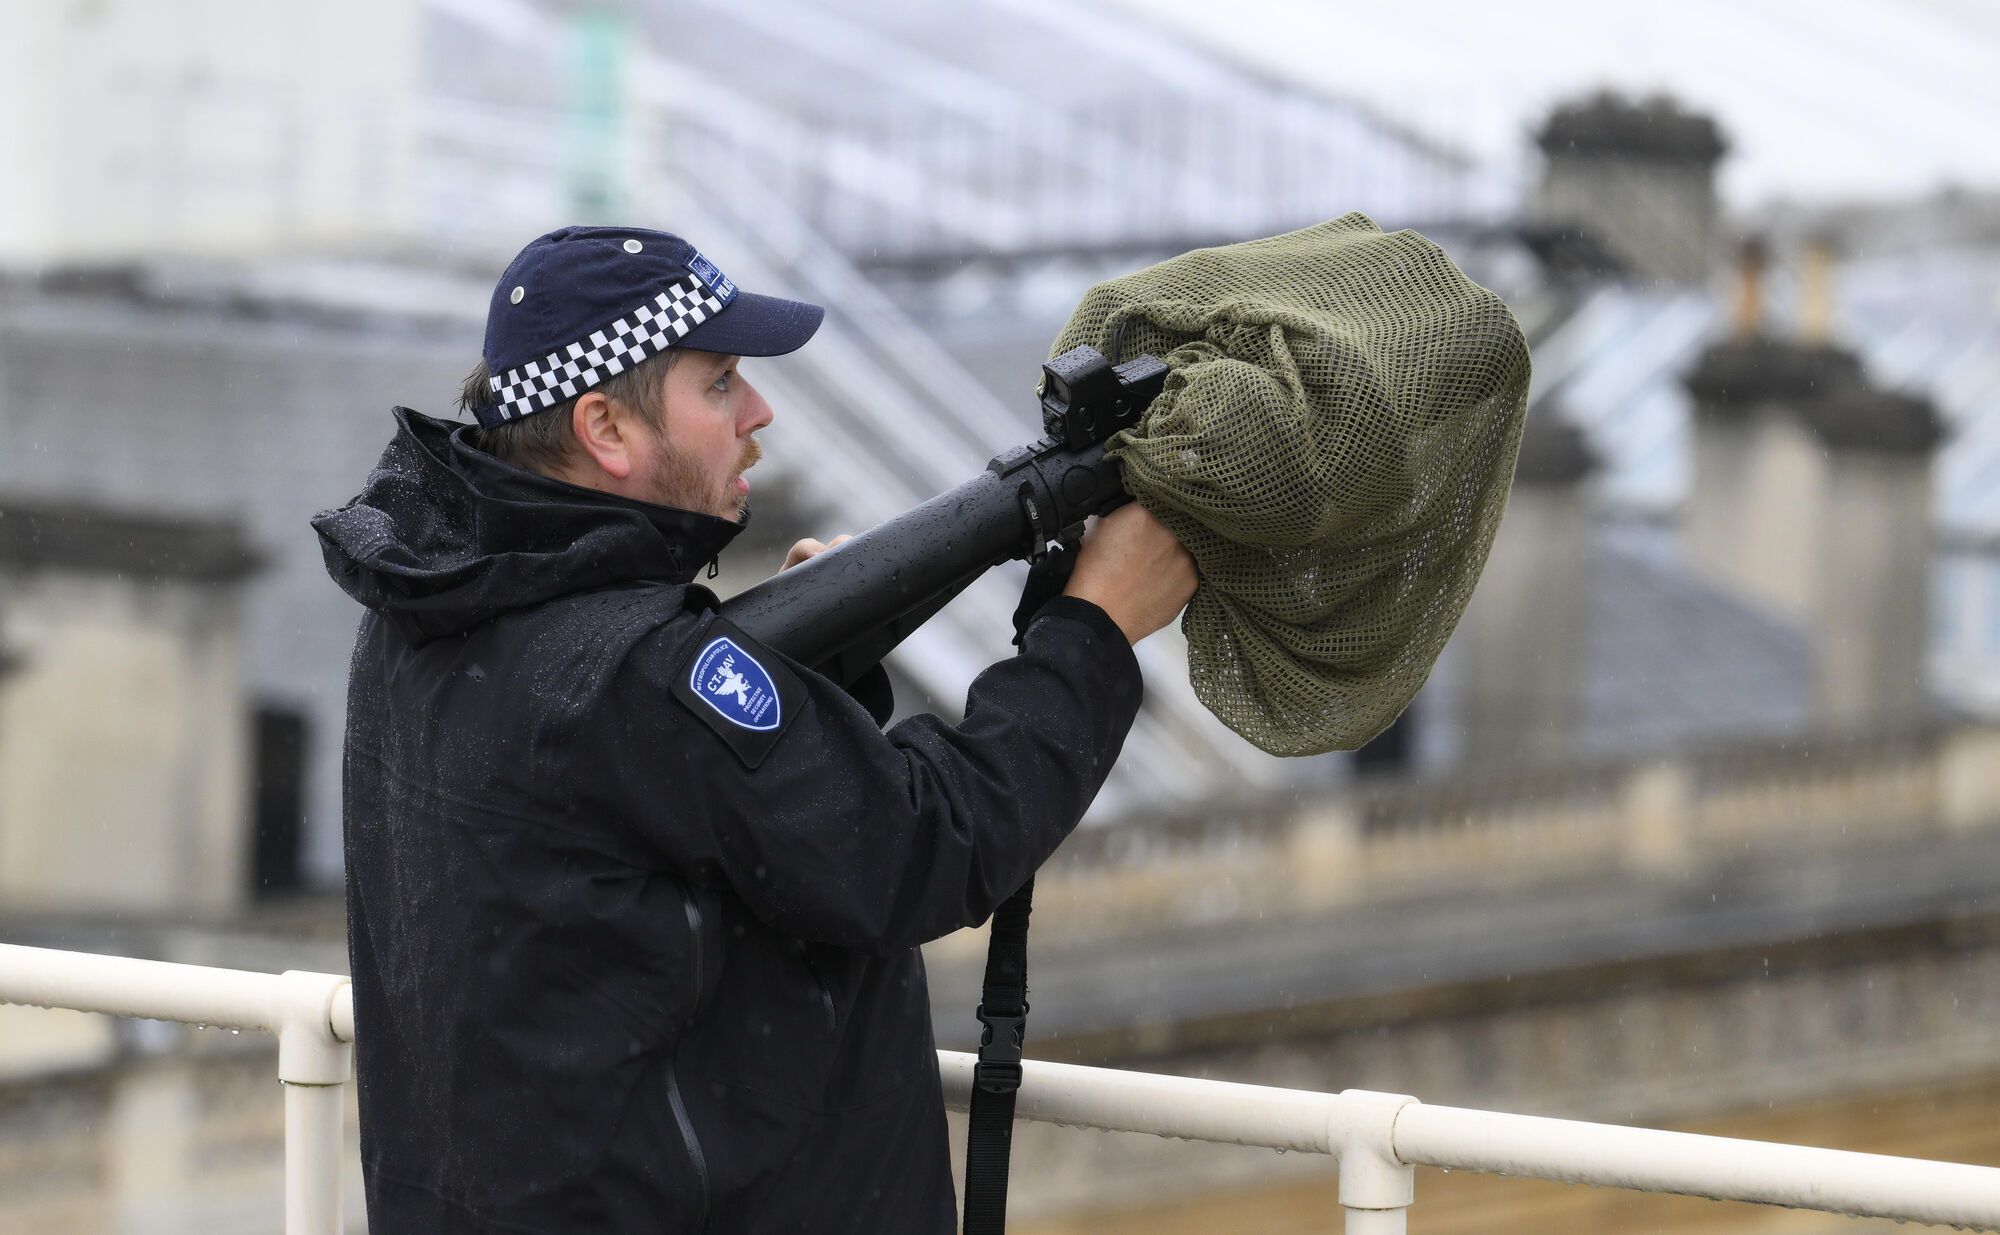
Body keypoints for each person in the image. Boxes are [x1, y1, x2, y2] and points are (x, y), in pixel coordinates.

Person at [312, 225, 1196, 1233]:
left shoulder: (419, 618)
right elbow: (922, 844)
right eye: (721, 382)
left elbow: (649, 840)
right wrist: (1093, 628)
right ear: (605, 426)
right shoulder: (649, 672)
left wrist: (809, 683)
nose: (760, 412)